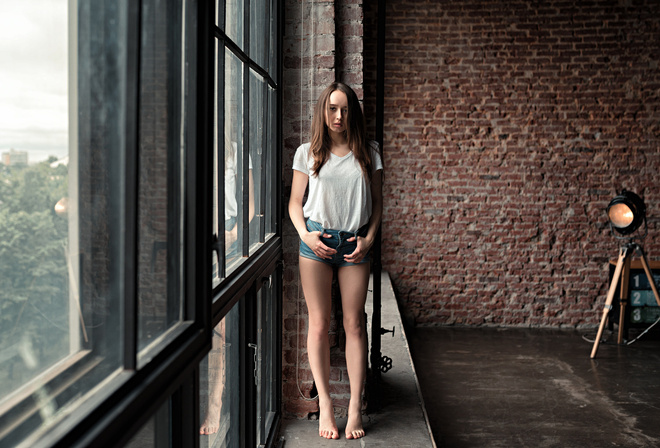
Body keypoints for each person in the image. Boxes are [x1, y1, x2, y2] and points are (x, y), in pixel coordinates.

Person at [289, 82, 383, 440]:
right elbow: (295, 203)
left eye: (344, 109)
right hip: (316, 240)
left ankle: (355, 407)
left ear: (353, 112)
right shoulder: (307, 152)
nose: (338, 116)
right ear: (323, 111)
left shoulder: (370, 152)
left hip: (355, 244)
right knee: (318, 323)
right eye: (332, 109)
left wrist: (369, 239)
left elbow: (377, 205)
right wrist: (304, 235)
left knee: (354, 324)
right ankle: (326, 405)